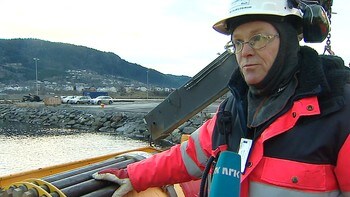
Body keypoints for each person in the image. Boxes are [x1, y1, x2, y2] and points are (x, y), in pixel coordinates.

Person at [93, 0, 350, 196]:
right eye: (237, 42)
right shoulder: (234, 109)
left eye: (258, 38)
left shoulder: (338, 113)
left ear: (289, 41)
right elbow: (189, 156)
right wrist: (135, 175)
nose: (245, 52)